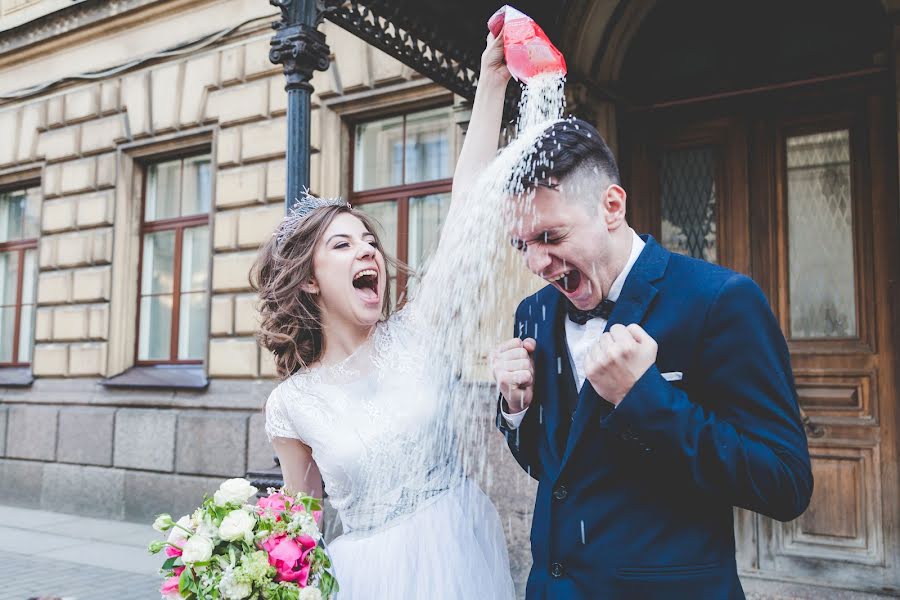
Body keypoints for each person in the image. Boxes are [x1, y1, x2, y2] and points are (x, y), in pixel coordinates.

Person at [481, 66, 814, 600]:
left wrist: (646, 399)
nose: (537, 263)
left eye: (550, 236)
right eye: (522, 244)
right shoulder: (533, 314)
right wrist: (517, 409)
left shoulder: (720, 301)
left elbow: (785, 484)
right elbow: (552, 470)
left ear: (612, 207)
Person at [254, 31, 516, 600]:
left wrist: (491, 81)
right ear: (308, 280)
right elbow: (299, 529)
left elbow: (467, 205)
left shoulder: (416, 333)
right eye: (343, 246)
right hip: (367, 579)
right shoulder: (292, 404)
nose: (368, 250)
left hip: (461, 555)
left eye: (368, 240)